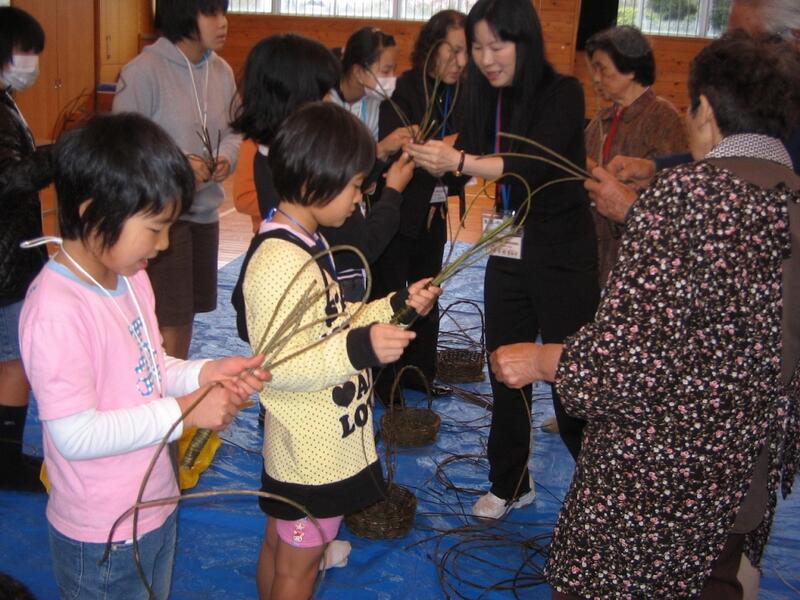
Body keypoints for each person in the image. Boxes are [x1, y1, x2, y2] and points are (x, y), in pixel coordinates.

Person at [490, 33, 800, 600]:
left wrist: (540, 359)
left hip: (653, 491)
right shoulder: (790, 199)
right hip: (741, 481)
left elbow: (622, 367)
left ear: (704, 110)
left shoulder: (683, 198)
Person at [17, 113, 269, 600]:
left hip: (155, 501)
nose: (164, 243)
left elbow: (150, 367)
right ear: (94, 212)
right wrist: (186, 411)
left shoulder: (130, 277)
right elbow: (75, 434)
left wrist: (206, 371)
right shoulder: (56, 310)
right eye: (154, 228)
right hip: (102, 530)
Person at [407, 0, 600, 518]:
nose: (487, 58)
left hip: (563, 250)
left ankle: (603, 489)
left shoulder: (562, 92)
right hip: (508, 245)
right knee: (504, 364)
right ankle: (511, 480)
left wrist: (462, 160)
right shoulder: (483, 96)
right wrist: (429, 158)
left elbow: (529, 164)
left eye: (499, 45)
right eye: (478, 47)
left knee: (572, 373)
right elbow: (462, 160)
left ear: (526, 41)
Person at [239, 102, 440, 599]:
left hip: (324, 445)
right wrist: (360, 348)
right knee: (298, 568)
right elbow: (278, 363)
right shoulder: (277, 263)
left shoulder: (310, 245)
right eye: (354, 185)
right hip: (309, 456)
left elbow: (335, 322)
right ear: (316, 181)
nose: (360, 196)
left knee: (282, 550)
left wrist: (397, 306)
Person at [230, 33, 414, 304]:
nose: (328, 102)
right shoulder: (304, 169)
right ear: (298, 99)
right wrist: (393, 192)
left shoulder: (270, 153)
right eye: (322, 94)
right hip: (325, 291)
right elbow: (362, 247)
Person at [112, 0, 241, 359]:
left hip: (204, 211)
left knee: (189, 313)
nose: (223, 22)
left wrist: (225, 159)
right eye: (211, 13)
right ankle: (161, 401)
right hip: (161, 217)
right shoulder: (144, 71)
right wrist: (178, 164)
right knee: (170, 318)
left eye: (223, 11)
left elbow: (234, 132)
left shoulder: (222, 71)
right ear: (183, 14)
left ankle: (170, 391)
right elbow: (124, 146)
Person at [372, 9, 468, 401]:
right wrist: (447, 151)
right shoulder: (404, 90)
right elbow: (405, 155)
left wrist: (452, 155)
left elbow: (463, 159)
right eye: (455, 50)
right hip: (398, 213)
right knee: (394, 296)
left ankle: (420, 374)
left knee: (428, 294)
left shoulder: (461, 94)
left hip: (434, 214)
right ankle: (386, 381)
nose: (460, 63)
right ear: (432, 45)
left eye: (467, 54)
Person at [584, 25, 687, 286]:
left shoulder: (663, 118)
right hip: (593, 250)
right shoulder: (600, 120)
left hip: (638, 257)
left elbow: (677, 190)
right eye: (593, 69)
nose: (595, 78)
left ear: (629, 69)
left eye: (602, 69)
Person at [0, 6, 51, 492]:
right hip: (5, 261)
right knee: (15, 359)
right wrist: (58, 157)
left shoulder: (6, 100)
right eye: (26, 51)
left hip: (11, 251)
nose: (31, 62)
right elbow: (9, 179)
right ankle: (7, 460)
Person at [330, 26, 398, 142]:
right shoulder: (326, 101)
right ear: (358, 72)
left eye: (394, 70)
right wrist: (380, 150)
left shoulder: (375, 101)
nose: (392, 78)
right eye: (385, 71)